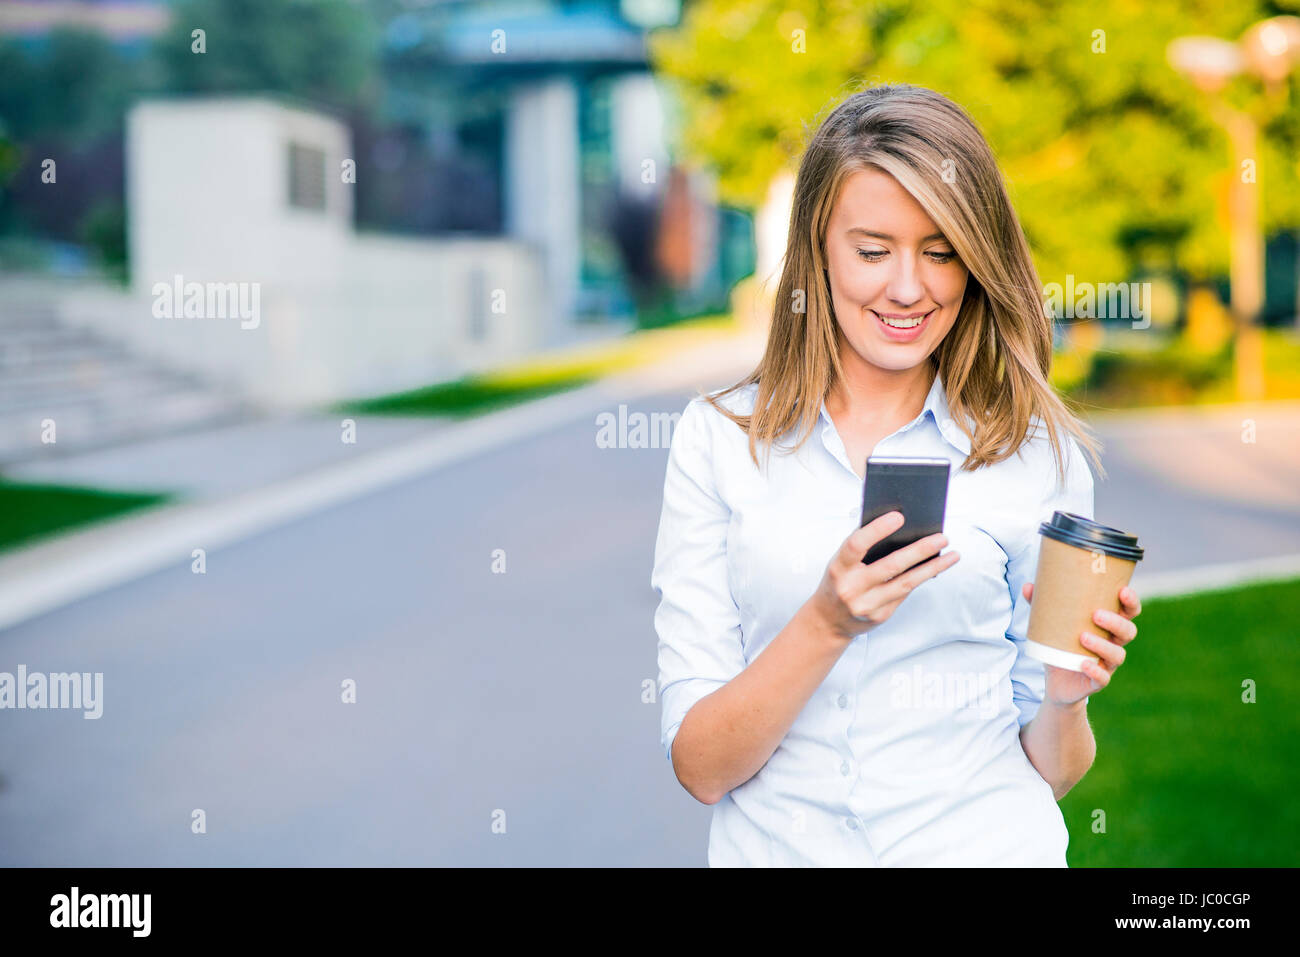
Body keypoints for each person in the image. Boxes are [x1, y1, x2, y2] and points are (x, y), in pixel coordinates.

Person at [651, 83, 1143, 867]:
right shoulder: (718, 440)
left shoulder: (1033, 452)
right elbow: (702, 767)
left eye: (942, 251)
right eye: (874, 250)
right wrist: (826, 622)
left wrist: (1067, 695)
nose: (910, 288)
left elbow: (1049, 768)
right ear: (818, 248)